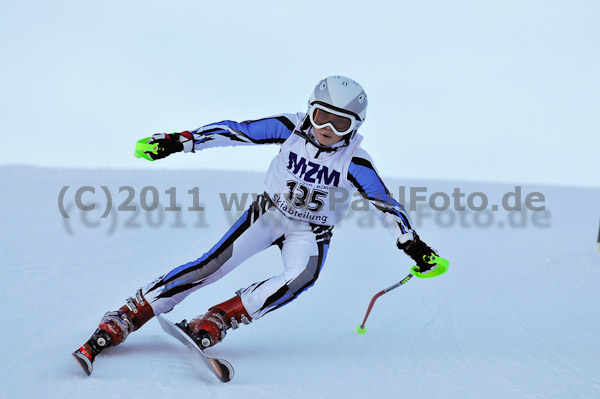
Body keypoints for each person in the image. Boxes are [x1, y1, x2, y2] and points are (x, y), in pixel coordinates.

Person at [72, 76, 441, 375]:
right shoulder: (290, 127)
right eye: (320, 115)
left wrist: (413, 245)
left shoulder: (356, 161)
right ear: (309, 111)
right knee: (211, 266)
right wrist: (180, 142)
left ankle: (219, 318)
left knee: (303, 276)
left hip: (310, 231)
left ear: (355, 127)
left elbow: (383, 204)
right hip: (269, 213)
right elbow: (236, 131)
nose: (327, 128)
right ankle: (130, 314)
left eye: (339, 122)